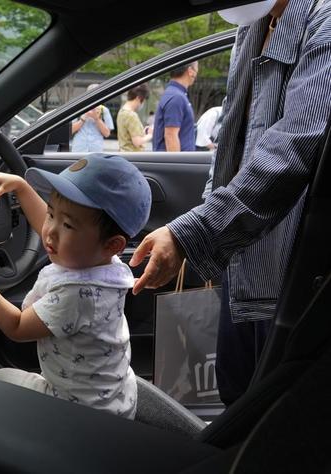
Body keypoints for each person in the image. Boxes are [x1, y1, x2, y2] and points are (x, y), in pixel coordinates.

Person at [130, 0, 331, 406]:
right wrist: (203, 225)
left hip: (290, 274)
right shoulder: (252, 27)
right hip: (243, 267)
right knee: (237, 398)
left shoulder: (323, 24)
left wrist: (194, 235)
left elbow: (292, 151)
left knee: (271, 416)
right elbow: (231, 145)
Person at [0, 154, 152, 418]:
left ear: (112, 245)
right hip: (111, 396)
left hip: (76, 409)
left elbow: (17, 327)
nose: (50, 231)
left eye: (67, 225)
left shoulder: (78, 295)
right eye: (52, 214)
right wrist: (22, 188)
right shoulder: (105, 265)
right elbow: (52, 226)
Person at [152, 61, 198, 152]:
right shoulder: (177, 97)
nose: (196, 75)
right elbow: (171, 135)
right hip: (180, 160)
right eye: (196, 70)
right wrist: (178, 161)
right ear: (190, 71)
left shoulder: (174, 94)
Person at [71, 84, 114, 153]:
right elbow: (71, 130)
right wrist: (84, 117)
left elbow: (107, 134)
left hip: (96, 148)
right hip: (79, 147)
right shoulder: (79, 109)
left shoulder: (104, 110)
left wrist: (97, 119)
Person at [117, 84, 153, 152]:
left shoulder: (122, 111)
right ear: (138, 98)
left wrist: (142, 132)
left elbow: (128, 136)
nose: (142, 104)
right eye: (143, 100)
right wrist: (150, 135)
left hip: (123, 153)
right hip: (133, 155)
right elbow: (137, 142)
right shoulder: (132, 115)